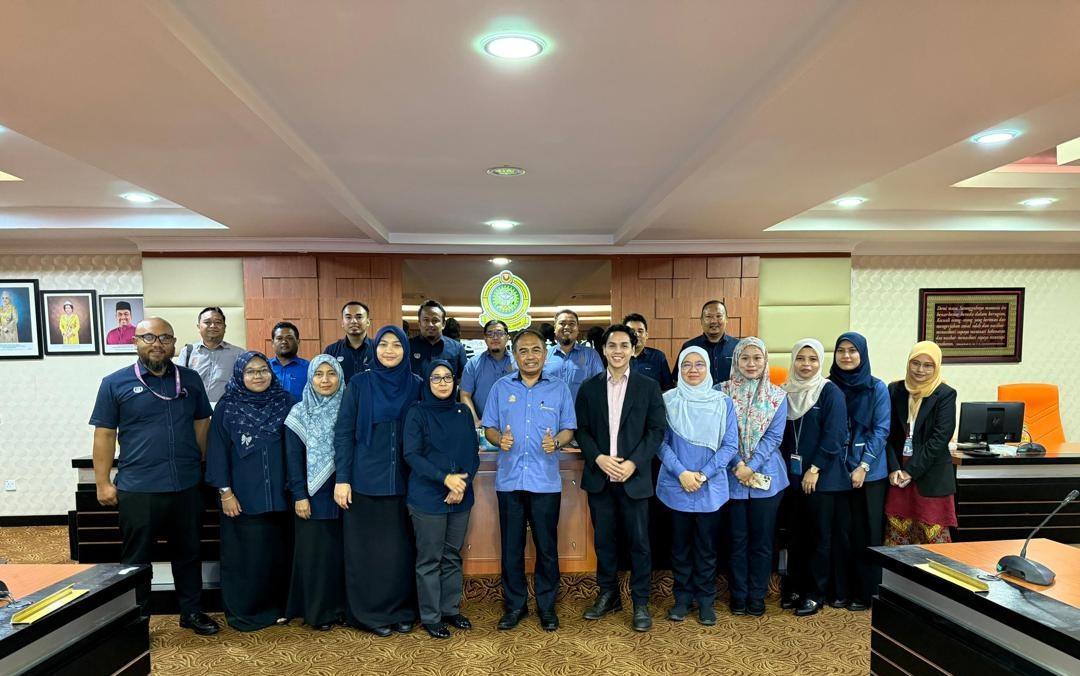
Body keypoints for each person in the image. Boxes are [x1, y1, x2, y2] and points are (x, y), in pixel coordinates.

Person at [88, 317, 219, 635]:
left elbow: (202, 424)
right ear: (135, 342)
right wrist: (102, 482)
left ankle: (191, 612)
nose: (157, 343)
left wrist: (201, 468)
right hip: (139, 487)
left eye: (164, 338)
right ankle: (137, 619)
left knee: (188, 554)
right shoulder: (114, 383)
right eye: (148, 337)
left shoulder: (190, 380)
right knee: (136, 559)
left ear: (173, 343)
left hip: (186, 485)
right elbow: (105, 434)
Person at [482, 329, 576, 632]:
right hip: (509, 481)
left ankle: (547, 607)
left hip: (545, 482)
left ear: (545, 354)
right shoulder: (500, 388)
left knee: (547, 547)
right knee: (512, 547)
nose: (530, 356)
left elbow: (569, 428)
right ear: (514, 355)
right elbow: (489, 427)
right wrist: (499, 439)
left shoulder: (560, 388)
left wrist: (556, 442)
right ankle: (515, 606)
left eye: (536, 350)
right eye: (523, 351)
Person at [576, 324, 667, 632]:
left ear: (633, 350)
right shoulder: (588, 387)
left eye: (624, 345)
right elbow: (581, 430)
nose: (617, 351)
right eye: (612, 345)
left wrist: (634, 463)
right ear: (603, 350)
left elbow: (656, 431)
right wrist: (598, 458)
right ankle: (609, 595)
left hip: (633, 478)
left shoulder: (648, 387)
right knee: (604, 541)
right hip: (600, 478)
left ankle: (641, 602)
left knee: (639, 543)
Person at [333, 325, 421, 637]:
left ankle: (402, 611)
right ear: (375, 348)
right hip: (364, 480)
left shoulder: (417, 384)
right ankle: (368, 614)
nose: (389, 350)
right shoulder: (359, 383)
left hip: (405, 481)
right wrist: (342, 478)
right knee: (366, 552)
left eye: (397, 345)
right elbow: (343, 432)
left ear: (405, 350)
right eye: (383, 344)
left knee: (400, 552)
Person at [206, 351, 294, 631]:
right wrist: (225, 492)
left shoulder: (286, 402)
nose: (258, 376)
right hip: (242, 497)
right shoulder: (227, 407)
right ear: (240, 375)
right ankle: (245, 613)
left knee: (277, 556)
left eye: (263, 370)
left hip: (281, 496)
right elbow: (217, 452)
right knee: (246, 558)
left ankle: (278, 608)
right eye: (251, 371)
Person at [656, 346, 738, 625]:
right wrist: (682, 473)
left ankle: (705, 602)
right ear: (679, 369)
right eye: (687, 364)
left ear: (708, 369)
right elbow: (659, 442)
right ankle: (681, 600)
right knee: (679, 548)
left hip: (710, 488)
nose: (693, 370)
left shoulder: (722, 402)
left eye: (699, 364)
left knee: (706, 549)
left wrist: (703, 475)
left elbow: (730, 445)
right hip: (675, 485)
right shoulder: (667, 400)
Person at [403, 360, 481, 639]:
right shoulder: (417, 412)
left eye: (447, 377)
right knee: (430, 559)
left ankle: (450, 609)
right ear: (427, 381)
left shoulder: (462, 412)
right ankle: (431, 616)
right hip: (427, 497)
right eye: (436, 378)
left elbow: (472, 452)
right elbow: (412, 455)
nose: (443, 383)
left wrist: (461, 484)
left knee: (451, 556)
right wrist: (445, 479)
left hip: (460, 496)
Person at [778, 339, 848, 617]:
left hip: (821, 478)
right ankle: (795, 588)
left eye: (813, 359)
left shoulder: (829, 392)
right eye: (800, 358)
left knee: (819, 538)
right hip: (792, 478)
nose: (806, 365)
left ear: (821, 362)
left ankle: (815, 594)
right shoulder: (784, 392)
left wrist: (815, 468)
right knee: (795, 536)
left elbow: (835, 435)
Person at [722, 337, 789, 617]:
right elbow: (721, 434)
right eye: (745, 358)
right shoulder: (721, 392)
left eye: (757, 358)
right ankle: (738, 595)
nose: (751, 364)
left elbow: (774, 437)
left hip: (767, 477)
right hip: (732, 476)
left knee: (762, 542)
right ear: (736, 360)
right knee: (736, 540)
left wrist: (751, 466)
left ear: (765, 361)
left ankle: (757, 596)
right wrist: (738, 463)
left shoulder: (778, 396)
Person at [284, 355, 347, 631]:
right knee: (317, 558)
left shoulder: (349, 408)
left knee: (343, 556)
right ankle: (319, 613)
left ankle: (343, 609)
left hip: (345, 494)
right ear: (310, 378)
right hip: (312, 496)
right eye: (319, 374)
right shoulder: (298, 413)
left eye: (331, 374)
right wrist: (299, 495)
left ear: (340, 377)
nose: (325, 380)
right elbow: (293, 459)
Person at [828, 332, 890, 611]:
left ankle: (864, 593)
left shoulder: (877, 388)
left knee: (866, 534)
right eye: (841, 350)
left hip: (869, 474)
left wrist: (863, 466)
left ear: (862, 354)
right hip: (837, 473)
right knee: (840, 534)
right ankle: (839, 590)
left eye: (853, 351)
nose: (846, 356)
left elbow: (881, 430)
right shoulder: (828, 386)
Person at [884, 342, 958, 545]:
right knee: (897, 539)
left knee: (933, 541)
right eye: (915, 363)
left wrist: (910, 471)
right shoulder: (895, 390)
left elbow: (940, 439)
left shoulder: (945, 394)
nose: (920, 370)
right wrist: (894, 468)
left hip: (930, 474)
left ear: (937, 367)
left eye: (928, 365)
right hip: (898, 476)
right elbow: (886, 433)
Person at [176, 307, 244, 404]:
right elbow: (177, 382)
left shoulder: (239, 354)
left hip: (225, 409)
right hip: (193, 408)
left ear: (224, 327)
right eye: (207, 322)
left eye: (218, 322)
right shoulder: (187, 352)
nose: (213, 326)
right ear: (199, 326)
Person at [460, 319, 516, 426]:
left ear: (507, 337)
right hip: (484, 426)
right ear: (485, 338)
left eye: (499, 333)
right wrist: (475, 421)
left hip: (515, 425)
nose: (495, 337)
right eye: (490, 334)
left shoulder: (518, 363)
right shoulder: (473, 364)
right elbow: (465, 395)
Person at [543, 309, 604, 400]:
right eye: (562, 323)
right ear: (555, 328)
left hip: (581, 409)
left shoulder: (591, 355)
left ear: (577, 329)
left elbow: (600, 387)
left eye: (572, 324)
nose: (567, 327)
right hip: (550, 408)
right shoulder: (544, 356)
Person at [675, 300, 738, 385]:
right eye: (708, 316)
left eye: (719, 316)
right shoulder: (689, 347)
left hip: (730, 394)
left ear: (726, 319)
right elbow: (678, 380)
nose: (714, 321)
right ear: (701, 320)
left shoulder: (738, 346)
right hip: (697, 394)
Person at [409, 300, 467, 379]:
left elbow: (463, 379)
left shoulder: (457, 348)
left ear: (443, 324)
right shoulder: (407, 347)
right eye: (426, 320)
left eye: (435, 320)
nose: (430, 324)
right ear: (419, 323)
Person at [324, 301, 376, 384]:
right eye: (348, 317)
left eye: (359, 317)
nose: (353, 321)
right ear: (342, 323)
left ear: (368, 322)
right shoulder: (331, 351)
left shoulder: (378, 348)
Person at [624, 313, 674, 391]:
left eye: (640, 331)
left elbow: (668, 388)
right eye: (632, 331)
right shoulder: (617, 357)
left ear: (646, 335)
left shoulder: (658, 357)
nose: (636, 334)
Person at [269, 321, 309, 399]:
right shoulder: (265, 367)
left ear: (298, 341)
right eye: (279, 338)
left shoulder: (309, 368)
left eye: (289, 338)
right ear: (272, 343)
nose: (284, 342)